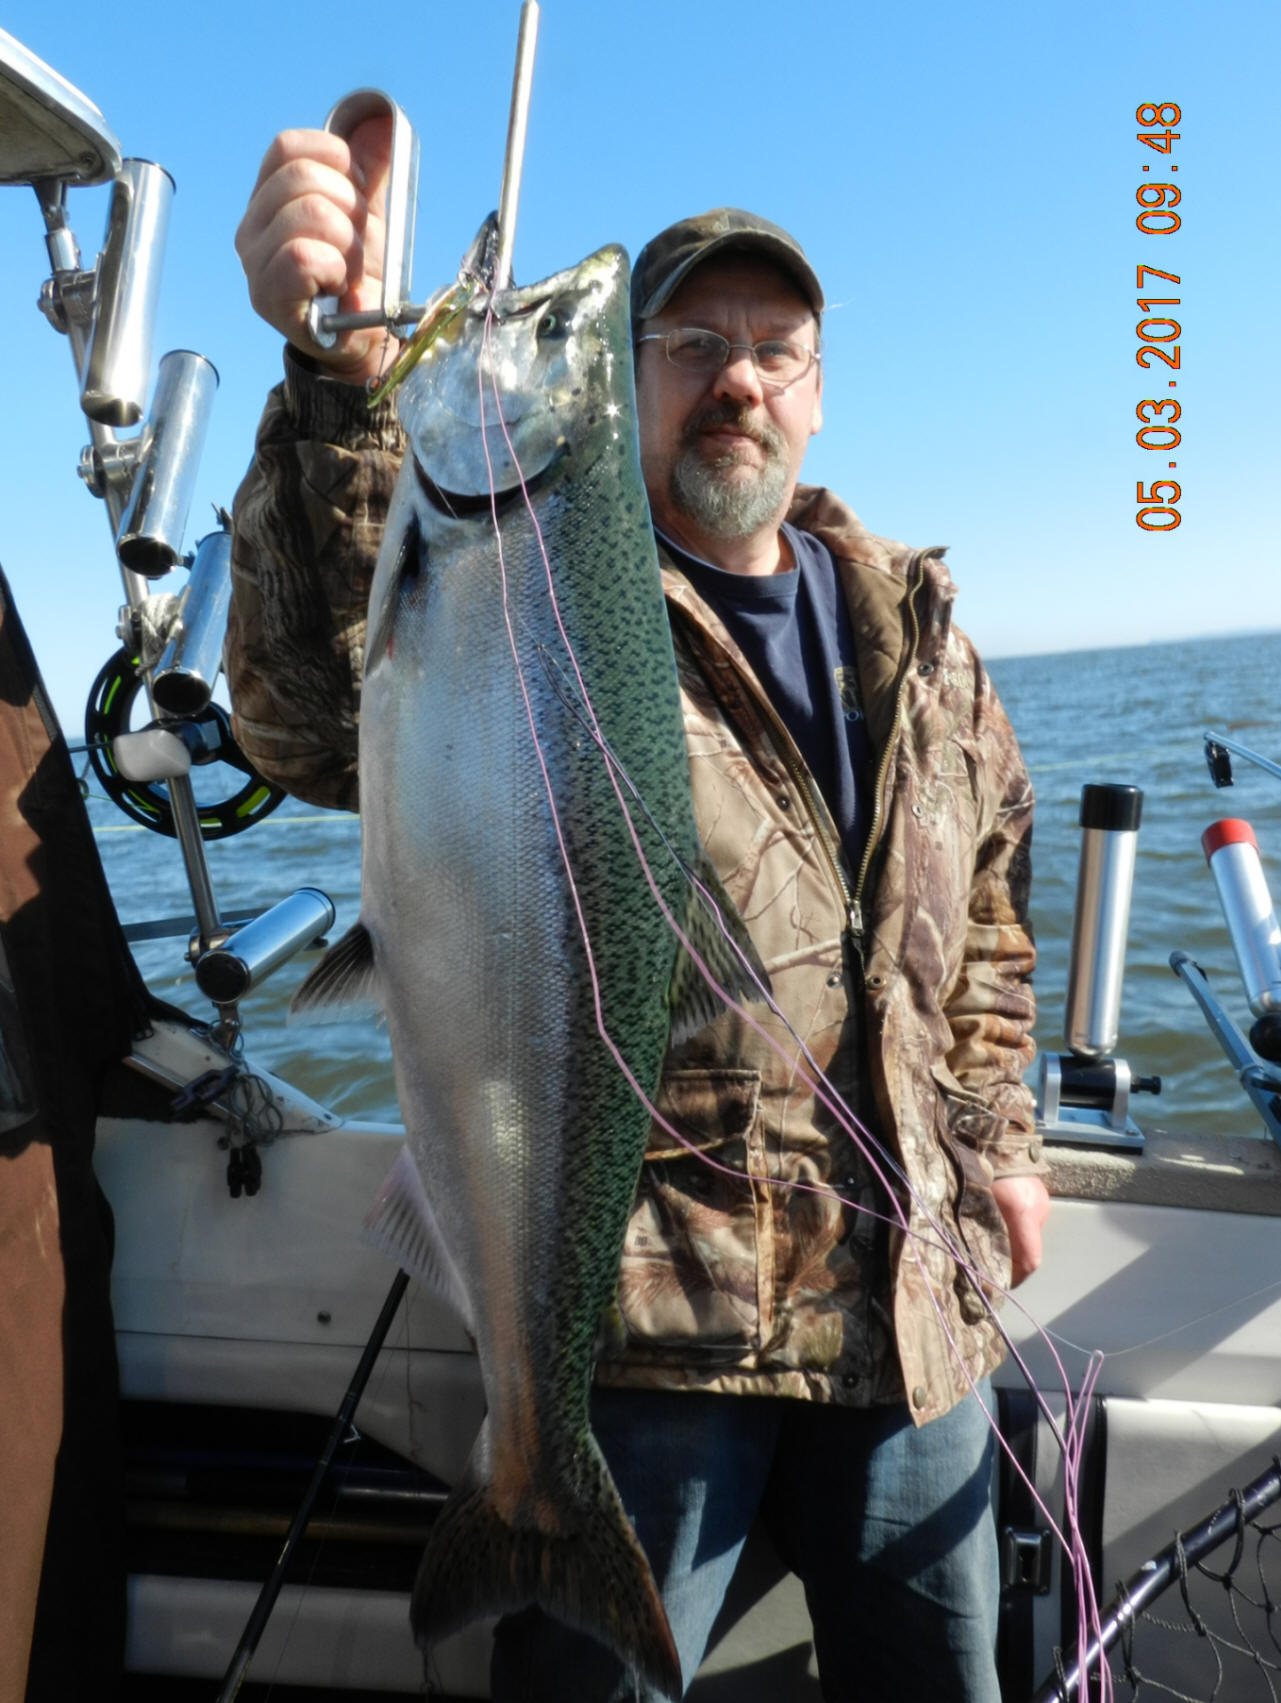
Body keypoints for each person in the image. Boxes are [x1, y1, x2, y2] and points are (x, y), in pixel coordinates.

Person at [229, 122, 1051, 1702]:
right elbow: (308, 712)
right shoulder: (543, 590)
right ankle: (531, 1501)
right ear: (622, 384)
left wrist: (997, 1137)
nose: (737, 379)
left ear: (817, 388)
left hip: (912, 1325)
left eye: (772, 349)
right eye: (689, 346)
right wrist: (339, 388)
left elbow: (989, 926)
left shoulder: (921, 637)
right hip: (643, 1338)